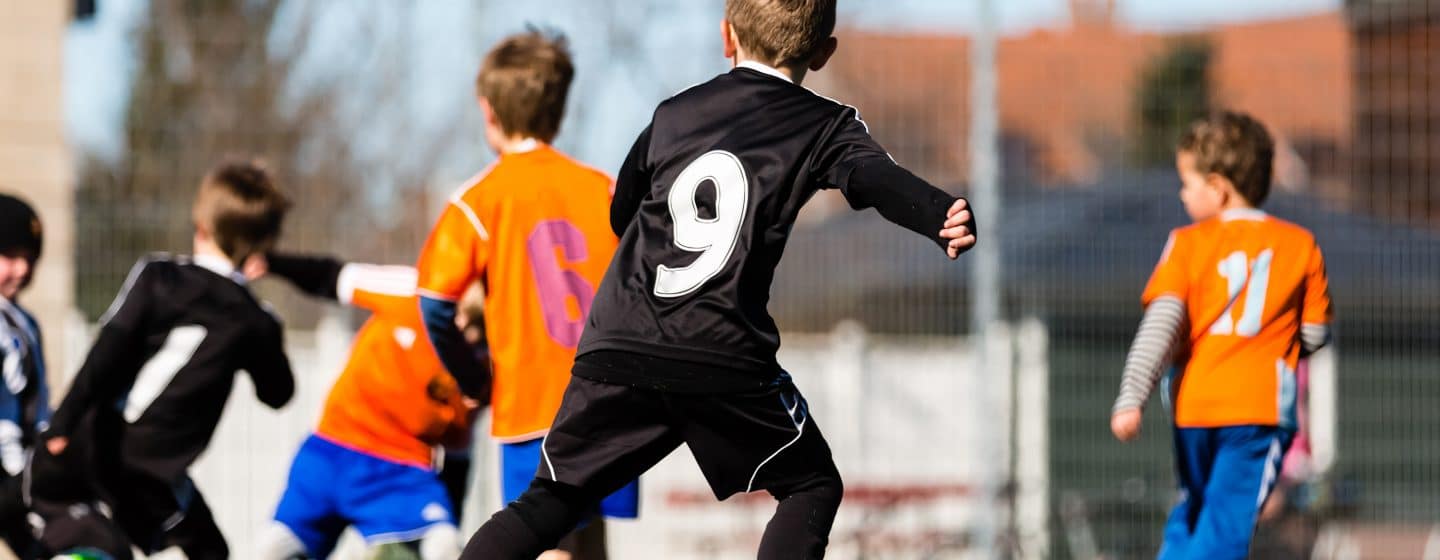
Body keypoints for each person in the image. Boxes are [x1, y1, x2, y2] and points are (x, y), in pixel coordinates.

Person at [462, 0, 976, 557]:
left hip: (621, 344)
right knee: (810, 485)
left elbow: (622, 214)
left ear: (726, 36)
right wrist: (935, 211)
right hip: (723, 356)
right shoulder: (826, 125)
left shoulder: (674, 114)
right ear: (824, 53)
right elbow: (874, 177)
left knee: (552, 498)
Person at [415, 29, 632, 559]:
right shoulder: (604, 189)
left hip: (534, 406)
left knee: (546, 541)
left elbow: (434, 301)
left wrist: (474, 378)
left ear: (488, 112)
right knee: (590, 536)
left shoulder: (479, 199)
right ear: (558, 111)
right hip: (610, 401)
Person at [29, 159, 295, 560]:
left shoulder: (158, 275)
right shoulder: (254, 320)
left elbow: (107, 350)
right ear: (261, 248)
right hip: (152, 470)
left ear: (201, 225)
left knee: (104, 536)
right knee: (208, 550)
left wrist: (62, 423)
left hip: (96, 440)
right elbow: (278, 393)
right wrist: (271, 330)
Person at [1108, 111, 1333, 559]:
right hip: (1257, 411)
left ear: (1218, 187)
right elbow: (1314, 334)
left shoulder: (1186, 244)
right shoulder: (1299, 245)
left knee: (1195, 510)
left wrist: (1132, 395)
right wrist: (1271, 345)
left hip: (1195, 406)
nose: (1181, 193)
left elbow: (1161, 324)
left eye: (1187, 184)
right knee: (1226, 524)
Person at [255, 253, 479, 560]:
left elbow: (458, 450)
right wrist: (271, 261)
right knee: (272, 549)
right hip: (333, 449)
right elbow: (335, 277)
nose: (465, 332)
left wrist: (450, 522)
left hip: (402, 471)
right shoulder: (412, 290)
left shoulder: (485, 365)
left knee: (444, 547)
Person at [0, 193, 51, 558]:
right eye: (10, 257)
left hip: (23, 472)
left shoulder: (23, 322)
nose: (22, 269)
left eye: (29, 259)